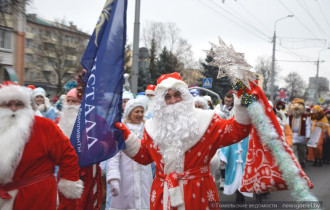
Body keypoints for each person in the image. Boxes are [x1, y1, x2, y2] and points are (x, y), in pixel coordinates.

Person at [115, 72, 251, 209]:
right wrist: (124, 134)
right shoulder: (152, 126)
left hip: (199, 193)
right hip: (163, 194)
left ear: (185, 96)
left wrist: (242, 100)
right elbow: (144, 155)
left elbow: (236, 130)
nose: (173, 101)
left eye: (177, 95)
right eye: (167, 97)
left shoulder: (207, 121)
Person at [0, 81, 83, 209]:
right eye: (7, 104)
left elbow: (68, 157)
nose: (14, 108)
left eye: (18, 104)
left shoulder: (44, 126)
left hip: (38, 198)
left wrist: (69, 198)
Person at [56, 87, 104, 209]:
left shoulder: (93, 122)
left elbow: (103, 146)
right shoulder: (58, 122)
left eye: (75, 101)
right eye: (69, 101)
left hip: (88, 173)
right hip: (65, 173)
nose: (71, 105)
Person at [107, 98, 153, 210]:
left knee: (145, 202)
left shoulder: (148, 129)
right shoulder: (121, 130)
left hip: (145, 176)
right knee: (126, 202)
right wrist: (114, 178)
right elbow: (114, 156)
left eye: (142, 111)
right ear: (129, 113)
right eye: (137, 111)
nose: (140, 114)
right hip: (125, 176)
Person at [288, 98, 311, 168]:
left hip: (302, 137)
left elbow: (308, 127)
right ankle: (296, 163)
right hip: (293, 137)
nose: (296, 108)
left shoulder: (305, 117)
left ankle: (302, 161)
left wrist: (307, 136)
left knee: (302, 151)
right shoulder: (289, 117)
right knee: (293, 150)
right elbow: (286, 127)